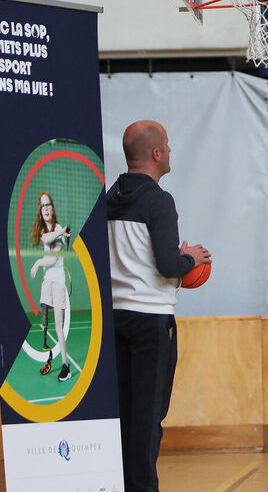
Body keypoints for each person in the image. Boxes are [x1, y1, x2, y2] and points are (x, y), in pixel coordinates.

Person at [107, 120, 211, 492]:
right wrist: (191, 259)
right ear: (155, 154)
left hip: (115, 318)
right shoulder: (159, 200)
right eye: (166, 146)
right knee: (148, 419)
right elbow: (168, 266)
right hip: (151, 321)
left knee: (123, 416)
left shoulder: (109, 197)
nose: (169, 152)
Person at [29, 191, 73, 380]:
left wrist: (39, 263)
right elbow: (46, 239)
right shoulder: (47, 231)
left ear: (52, 209)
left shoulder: (60, 230)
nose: (46, 209)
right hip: (47, 281)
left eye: (48, 205)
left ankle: (65, 366)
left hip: (58, 281)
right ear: (40, 211)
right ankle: (49, 356)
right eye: (43, 206)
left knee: (57, 324)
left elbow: (54, 258)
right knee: (45, 323)